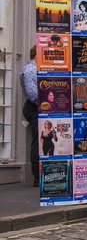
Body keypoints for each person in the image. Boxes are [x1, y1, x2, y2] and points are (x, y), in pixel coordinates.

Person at [19, 46, 38, 186]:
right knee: (39, 140)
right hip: (35, 107)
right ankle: (37, 175)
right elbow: (33, 95)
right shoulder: (30, 69)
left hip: (38, 107)